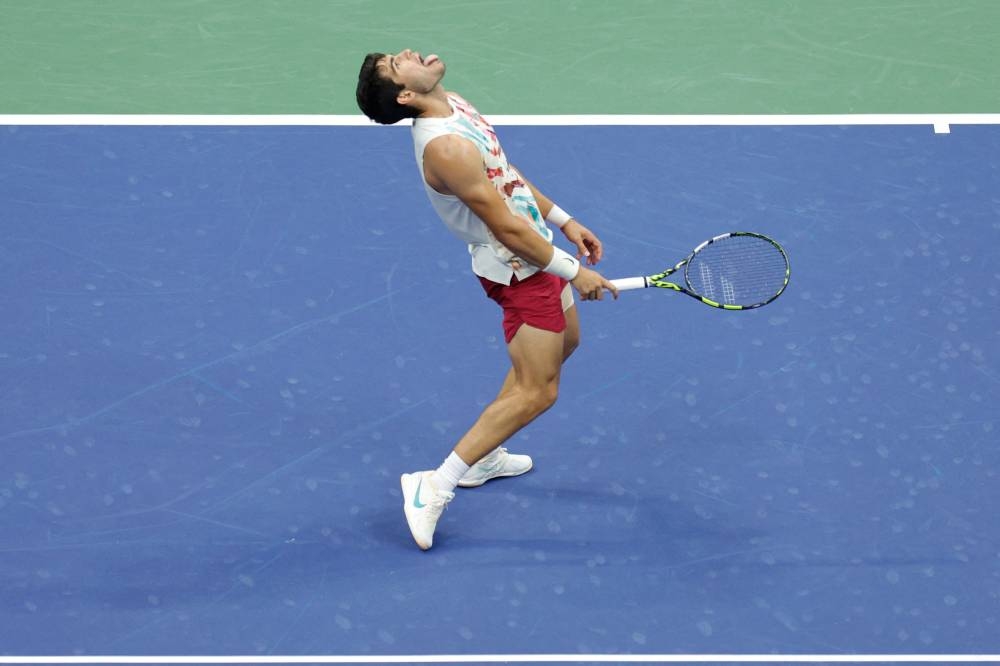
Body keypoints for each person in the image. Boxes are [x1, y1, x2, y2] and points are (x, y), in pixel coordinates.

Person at [356, 48, 618, 550]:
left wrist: (564, 221)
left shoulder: (454, 103)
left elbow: (504, 172)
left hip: (535, 247)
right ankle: (436, 484)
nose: (406, 53)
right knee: (539, 391)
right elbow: (503, 226)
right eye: (396, 64)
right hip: (518, 266)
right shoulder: (445, 149)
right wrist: (572, 269)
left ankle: (485, 454)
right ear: (406, 95)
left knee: (565, 344)